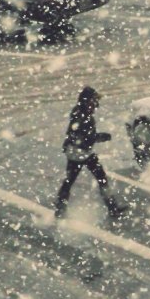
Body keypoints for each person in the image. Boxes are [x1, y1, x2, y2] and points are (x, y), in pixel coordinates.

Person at [55, 86, 126, 220]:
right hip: (79, 153)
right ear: (88, 101)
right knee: (98, 178)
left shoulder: (81, 113)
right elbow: (84, 137)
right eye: (94, 101)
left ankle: (60, 208)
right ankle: (112, 209)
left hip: (79, 152)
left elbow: (81, 136)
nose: (96, 105)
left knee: (73, 180)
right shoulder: (81, 116)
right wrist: (101, 137)